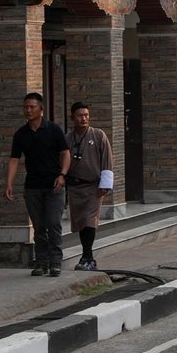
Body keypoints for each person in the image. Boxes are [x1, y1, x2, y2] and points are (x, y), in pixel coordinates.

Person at [5, 92, 70, 277]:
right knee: (39, 225)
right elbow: (14, 160)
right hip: (32, 186)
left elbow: (65, 153)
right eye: (26, 107)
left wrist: (63, 175)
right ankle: (41, 263)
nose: (28, 110)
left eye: (32, 107)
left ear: (41, 109)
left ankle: (56, 262)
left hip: (54, 185)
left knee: (53, 222)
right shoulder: (21, 134)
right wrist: (9, 183)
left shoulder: (54, 129)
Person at [64, 102, 114, 272]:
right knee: (80, 222)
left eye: (86, 115)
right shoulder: (68, 138)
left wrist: (105, 184)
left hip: (93, 186)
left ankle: (88, 256)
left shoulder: (98, 135)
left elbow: (107, 159)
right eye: (79, 115)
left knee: (89, 220)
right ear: (72, 118)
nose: (83, 118)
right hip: (75, 186)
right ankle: (86, 256)